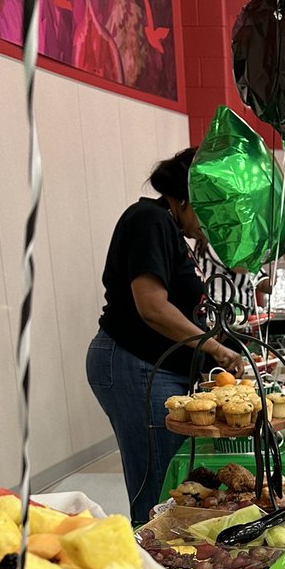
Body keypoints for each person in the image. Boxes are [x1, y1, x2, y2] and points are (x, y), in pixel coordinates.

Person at [86, 148, 243, 524]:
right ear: (186, 199)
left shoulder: (170, 229)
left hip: (154, 366)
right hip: (136, 363)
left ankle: (166, 560)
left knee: (169, 480)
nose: (209, 224)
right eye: (208, 212)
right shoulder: (150, 221)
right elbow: (152, 306)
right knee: (156, 485)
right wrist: (215, 348)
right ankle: (156, 566)